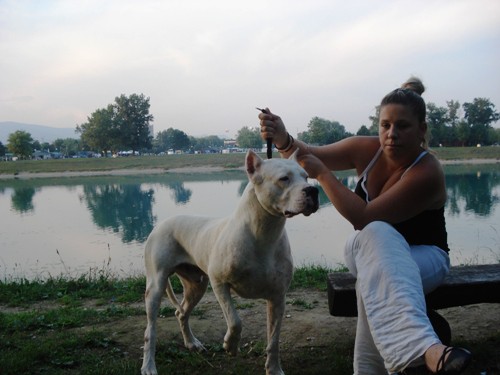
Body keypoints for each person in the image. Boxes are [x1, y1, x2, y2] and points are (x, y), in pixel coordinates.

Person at [258, 77, 472, 375]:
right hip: (364, 249)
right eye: (385, 125)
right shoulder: (366, 149)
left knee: (371, 276)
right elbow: (309, 154)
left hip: (426, 257)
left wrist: (323, 175)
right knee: (376, 236)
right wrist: (282, 138)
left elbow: (364, 216)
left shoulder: (427, 170)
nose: (391, 134)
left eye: (403, 126)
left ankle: (376, 367)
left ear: (421, 130)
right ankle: (424, 347)